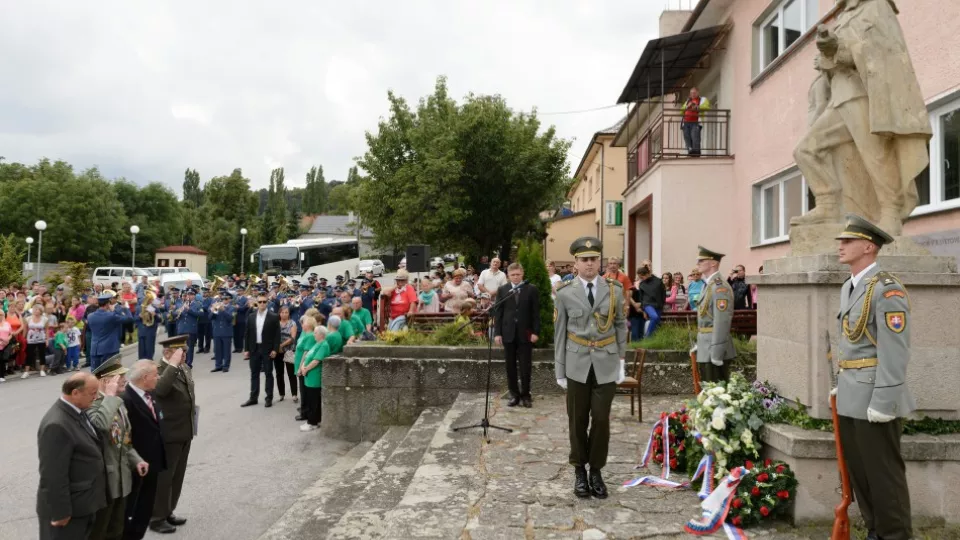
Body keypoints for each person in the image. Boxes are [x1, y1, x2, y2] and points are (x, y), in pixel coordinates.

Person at [833, 214, 914, 540]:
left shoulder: (887, 290)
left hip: (875, 398)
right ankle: (875, 531)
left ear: (868, 246)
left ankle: (895, 534)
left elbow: (895, 352)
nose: (840, 245)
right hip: (852, 396)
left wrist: (884, 401)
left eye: (847, 241)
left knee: (884, 475)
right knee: (861, 475)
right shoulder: (850, 287)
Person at [554, 237, 627, 500]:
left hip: (606, 363)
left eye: (593, 259)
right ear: (576, 262)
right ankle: (579, 471)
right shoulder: (564, 292)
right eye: (584, 259)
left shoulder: (615, 289)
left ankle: (596, 470)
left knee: (601, 419)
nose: (589, 264)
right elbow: (560, 332)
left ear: (600, 261)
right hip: (576, 363)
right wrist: (560, 370)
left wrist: (621, 361)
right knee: (577, 421)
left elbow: (620, 325)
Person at [36, 372, 108, 540]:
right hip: (69, 512)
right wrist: (60, 512)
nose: (96, 397)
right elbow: (53, 475)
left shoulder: (77, 411)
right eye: (92, 393)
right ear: (75, 393)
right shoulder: (57, 425)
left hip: (83, 504)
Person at [87, 356, 149, 540]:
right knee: (99, 531)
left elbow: (124, 441)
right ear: (106, 381)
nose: (125, 380)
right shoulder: (92, 404)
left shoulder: (118, 403)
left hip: (121, 481)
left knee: (117, 530)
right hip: (103, 485)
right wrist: (110, 396)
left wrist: (136, 460)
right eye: (119, 377)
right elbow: (100, 426)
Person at [151, 338, 196, 534]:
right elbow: (160, 390)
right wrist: (173, 365)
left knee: (177, 476)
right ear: (169, 353)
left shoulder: (183, 367)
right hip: (168, 433)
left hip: (184, 430)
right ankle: (156, 517)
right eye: (181, 352)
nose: (184, 355)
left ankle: (168, 510)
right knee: (165, 478)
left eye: (185, 352)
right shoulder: (159, 370)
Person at [122, 360, 167, 538]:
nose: (158, 377)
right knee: (133, 507)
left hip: (153, 460)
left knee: (146, 506)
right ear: (145, 377)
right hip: (137, 464)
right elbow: (125, 436)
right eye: (156, 375)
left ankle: (138, 534)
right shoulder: (126, 399)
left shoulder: (150, 393)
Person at [494, 263, 541, 408]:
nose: (515, 277)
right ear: (508, 275)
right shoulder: (503, 290)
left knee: (525, 366)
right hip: (508, 333)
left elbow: (535, 313)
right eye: (513, 275)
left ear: (522, 274)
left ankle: (526, 395)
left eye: (518, 274)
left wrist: (535, 332)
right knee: (510, 366)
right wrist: (497, 333)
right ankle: (514, 394)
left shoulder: (531, 289)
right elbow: (499, 313)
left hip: (525, 334)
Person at [692, 246, 736, 383]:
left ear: (713, 263)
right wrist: (699, 343)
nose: (697, 263)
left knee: (716, 394)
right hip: (707, 346)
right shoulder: (709, 284)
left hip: (713, 349)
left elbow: (722, 321)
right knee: (709, 393)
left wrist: (716, 353)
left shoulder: (719, 286)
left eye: (701, 260)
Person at [242, 293, 281, 408]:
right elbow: (247, 333)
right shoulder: (251, 316)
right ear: (257, 303)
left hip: (267, 349)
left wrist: (275, 349)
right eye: (260, 302)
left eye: (264, 302)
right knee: (254, 373)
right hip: (254, 348)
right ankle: (253, 398)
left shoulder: (273, 316)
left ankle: (269, 398)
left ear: (267, 303)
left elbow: (277, 335)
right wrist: (246, 349)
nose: (262, 304)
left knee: (268, 373)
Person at [88, 293, 133, 372]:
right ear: (108, 304)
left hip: (95, 349)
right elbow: (129, 319)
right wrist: (124, 308)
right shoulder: (111, 316)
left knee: (96, 375)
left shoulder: (90, 316)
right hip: (109, 349)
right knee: (112, 374)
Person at [298, 325, 330, 432]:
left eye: (315, 333)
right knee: (311, 399)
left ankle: (312, 422)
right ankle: (314, 420)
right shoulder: (317, 343)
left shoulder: (323, 345)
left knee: (314, 401)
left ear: (321, 335)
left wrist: (306, 369)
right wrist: (303, 367)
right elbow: (307, 356)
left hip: (314, 377)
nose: (313, 334)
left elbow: (316, 361)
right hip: (309, 376)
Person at [293, 316, 318, 422]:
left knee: (304, 391)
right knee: (303, 389)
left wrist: (300, 368)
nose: (302, 325)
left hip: (302, 366)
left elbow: (306, 353)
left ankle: (305, 412)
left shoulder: (310, 336)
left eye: (304, 323)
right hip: (300, 364)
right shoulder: (306, 335)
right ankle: (305, 410)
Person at [276, 306, 299, 403]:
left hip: (289, 350)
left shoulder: (292, 323)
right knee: (279, 373)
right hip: (278, 350)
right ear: (279, 313)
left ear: (289, 313)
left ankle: (294, 394)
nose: (284, 314)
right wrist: (277, 347)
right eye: (282, 312)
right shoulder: (276, 323)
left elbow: (293, 337)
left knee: (291, 373)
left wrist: (282, 345)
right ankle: (281, 394)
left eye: (286, 312)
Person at [175, 288, 202, 368]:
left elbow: (200, 314)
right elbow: (174, 313)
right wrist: (177, 312)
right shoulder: (181, 304)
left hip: (191, 328)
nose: (189, 296)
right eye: (188, 294)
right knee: (182, 347)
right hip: (181, 328)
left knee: (189, 347)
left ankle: (188, 363)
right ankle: (183, 362)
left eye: (191, 295)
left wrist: (189, 310)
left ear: (194, 296)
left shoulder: (198, 304)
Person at [635, 266, 665, 338]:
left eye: (642, 277)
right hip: (647, 304)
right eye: (640, 277)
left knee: (656, 323)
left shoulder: (658, 282)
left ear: (648, 274)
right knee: (654, 317)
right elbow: (641, 298)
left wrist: (662, 305)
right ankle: (647, 336)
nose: (641, 279)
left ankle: (652, 342)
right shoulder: (642, 284)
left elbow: (663, 294)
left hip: (658, 304)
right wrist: (644, 310)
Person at [681, 87, 711, 156]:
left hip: (696, 122)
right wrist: (687, 107)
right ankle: (690, 152)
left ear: (698, 93)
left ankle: (696, 154)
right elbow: (680, 111)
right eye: (691, 93)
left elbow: (707, 107)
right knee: (687, 138)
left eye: (694, 93)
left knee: (695, 137)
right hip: (686, 122)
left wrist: (697, 107)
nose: (693, 94)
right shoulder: (688, 101)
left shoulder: (702, 99)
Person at [211, 291, 236, 373]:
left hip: (226, 332)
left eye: (226, 299)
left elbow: (230, 318)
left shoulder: (232, 308)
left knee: (226, 350)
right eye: (223, 299)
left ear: (229, 299)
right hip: (217, 332)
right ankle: (218, 365)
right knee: (218, 350)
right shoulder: (217, 306)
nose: (224, 300)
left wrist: (223, 310)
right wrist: (214, 310)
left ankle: (226, 366)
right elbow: (210, 317)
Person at [24, 305, 49, 378]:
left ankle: (42, 370)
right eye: (35, 309)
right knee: (29, 355)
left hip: (41, 339)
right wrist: (24, 338)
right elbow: (25, 329)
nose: (36, 311)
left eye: (38, 310)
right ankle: (26, 371)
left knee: (42, 354)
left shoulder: (45, 319)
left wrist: (47, 339)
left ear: (41, 311)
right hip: (31, 339)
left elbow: (47, 329)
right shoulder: (28, 318)